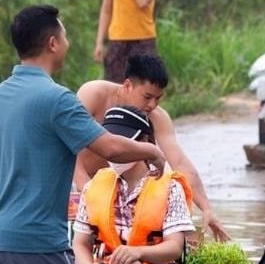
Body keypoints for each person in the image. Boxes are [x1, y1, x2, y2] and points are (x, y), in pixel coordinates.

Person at [0, 4, 165, 264]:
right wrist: (151, 149)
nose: (68, 41)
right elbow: (108, 147)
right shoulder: (57, 99)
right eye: (64, 34)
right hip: (33, 238)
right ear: (52, 43)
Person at [73, 107, 195, 264]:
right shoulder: (95, 185)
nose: (114, 150)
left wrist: (136, 253)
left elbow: (174, 247)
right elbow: (80, 244)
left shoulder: (169, 187)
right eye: (110, 141)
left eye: (122, 142)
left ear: (144, 143)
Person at [76, 54, 232, 242]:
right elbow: (67, 143)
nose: (152, 105)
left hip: (116, 189)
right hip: (79, 181)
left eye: (158, 98)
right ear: (127, 86)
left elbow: (180, 162)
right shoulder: (94, 95)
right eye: (147, 97)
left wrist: (207, 208)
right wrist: (87, 190)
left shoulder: (157, 117)